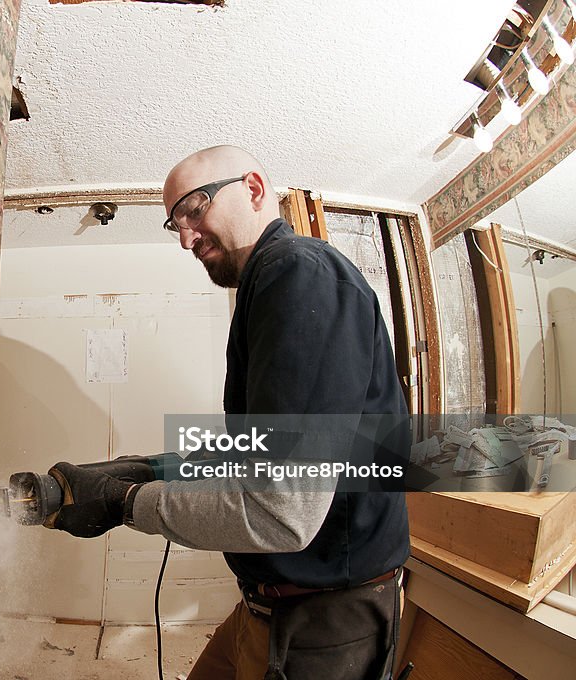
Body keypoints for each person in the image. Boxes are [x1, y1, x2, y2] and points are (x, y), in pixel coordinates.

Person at [45, 145, 410, 679]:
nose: (186, 237)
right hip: (268, 602)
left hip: (324, 623)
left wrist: (127, 502)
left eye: (195, 209)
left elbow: (282, 515)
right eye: (175, 224)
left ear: (254, 189)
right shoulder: (267, 286)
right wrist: (156, 468)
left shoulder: (298, 274)